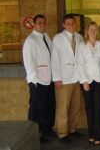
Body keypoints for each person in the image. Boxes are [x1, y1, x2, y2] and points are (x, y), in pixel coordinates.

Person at [23, 14, 55, 143]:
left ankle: (47, 130)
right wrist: (34, 81)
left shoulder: (46, 37)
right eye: (40, 23)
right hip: (37, 81)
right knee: (36, 109)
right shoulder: (30, 40)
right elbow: (29, 63)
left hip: (48, 79)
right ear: (34, 24)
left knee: (48, 107)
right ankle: (35, 135)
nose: (43, 25)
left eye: (44, 23)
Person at [76, 21, 100, 146]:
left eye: (95, 29)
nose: (93, 31)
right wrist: (84, 81)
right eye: (91, 29)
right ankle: (91, 133)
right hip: (87, 81)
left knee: (99, 107)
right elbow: (79, 63)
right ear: (87, 31)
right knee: (89, 107)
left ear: (98, 31)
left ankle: (98, 135)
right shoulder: (81, 45)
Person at [51, 14, 83, 143]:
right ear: (64, 25)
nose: (71, 26)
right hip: (63, 79)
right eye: (68, 24)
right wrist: (56, 78)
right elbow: (54, 59)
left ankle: (72, 129)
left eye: (73, 23)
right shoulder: (58, 38)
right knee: (63, 107)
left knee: (76, 106)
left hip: (77, 77)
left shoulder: (80, 37)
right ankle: (62, 133)